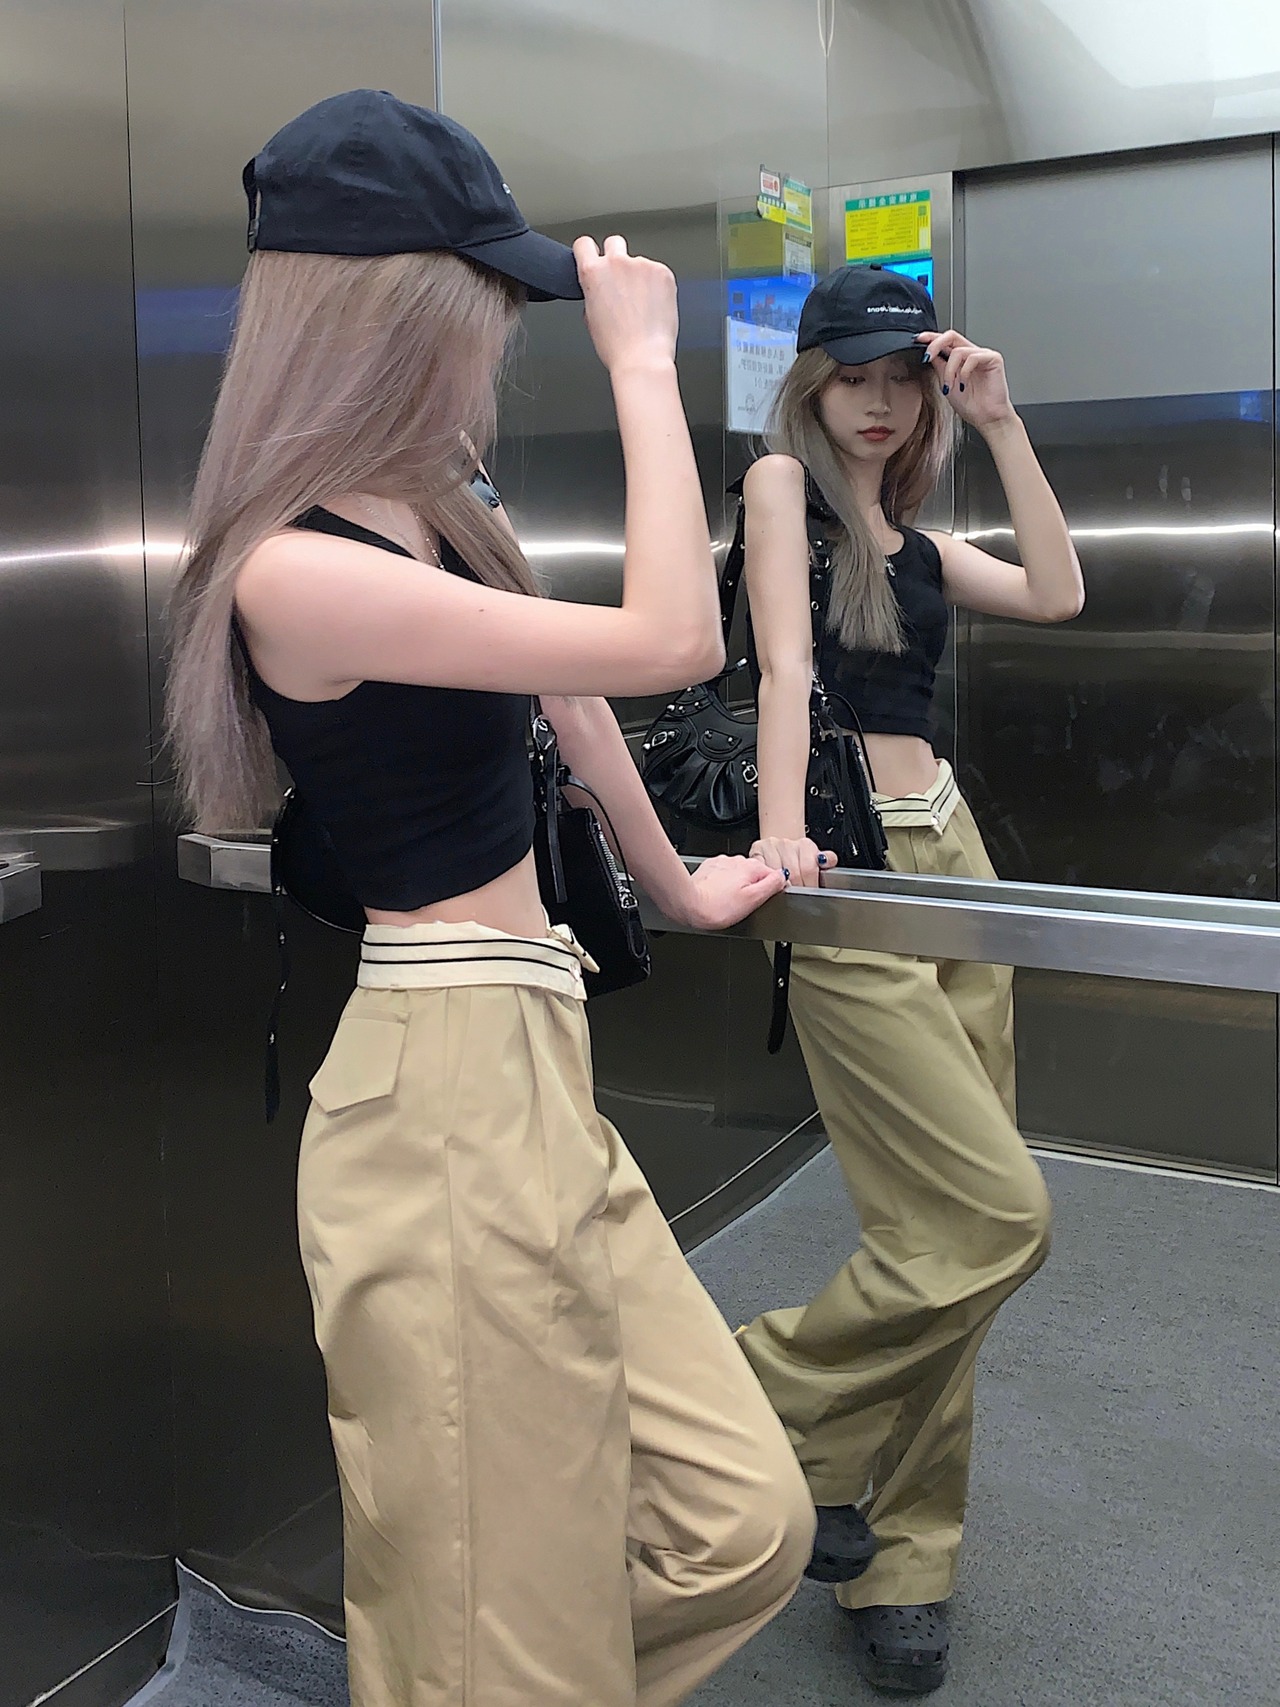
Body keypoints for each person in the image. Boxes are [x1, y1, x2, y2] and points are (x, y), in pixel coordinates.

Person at [164, 90, 815, 1707]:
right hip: (440, 1093)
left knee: (742, 1527)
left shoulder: (437, 506)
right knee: (490, 1634)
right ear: (394, 315)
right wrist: (643, 365)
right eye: (485, 307)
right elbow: (670, 643)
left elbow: (575, 705)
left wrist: (675, 889)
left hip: (531, 1057)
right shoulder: (291, 566)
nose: (500, 344)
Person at [737, 263, 1084, 1694]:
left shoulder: (920, 542)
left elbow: (1059, 591)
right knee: (987, 1214)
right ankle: (756, 1409)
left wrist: (1000, 419)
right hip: (846, 862)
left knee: (956, 1246)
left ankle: (908, 1554)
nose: (879, 402)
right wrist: (780, 841)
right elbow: (781, 670)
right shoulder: (779, 488)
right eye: (855, 377)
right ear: (812, 383)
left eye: (903, 379)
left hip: (955, 854)